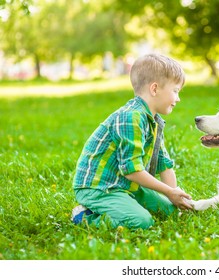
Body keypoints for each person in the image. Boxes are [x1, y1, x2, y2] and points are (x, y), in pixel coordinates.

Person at [71, 53, 192, 230]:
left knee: (170, 211)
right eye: (175, 91)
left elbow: (163, 164)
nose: (178, 98)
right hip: (99, 187)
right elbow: (132, 171)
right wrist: (168, 192)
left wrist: (174, 197)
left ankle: (125, 204)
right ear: (155, 89)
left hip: (125, 185)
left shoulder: (154, 120)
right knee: (141, 222)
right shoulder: (130, 118)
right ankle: (84, 216)